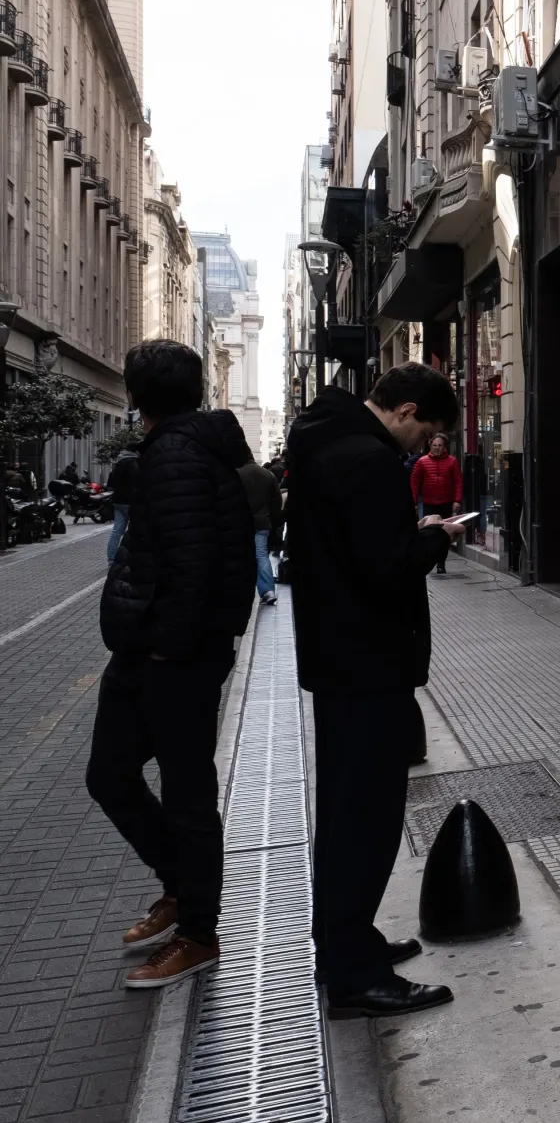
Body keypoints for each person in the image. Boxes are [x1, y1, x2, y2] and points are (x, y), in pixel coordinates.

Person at [287, 363, 466, 1019]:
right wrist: (430, 540)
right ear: (406, 408)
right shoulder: (365, 459)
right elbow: (383, 569)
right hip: (367, 662)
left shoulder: (325, 443)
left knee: (343, 814)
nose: (422, 446)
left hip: (341, 660)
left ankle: (344, 944)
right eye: (425, 431)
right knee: (365, 818)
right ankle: (355, 974)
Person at [88, 340, 255, 990]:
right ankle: (181, 890)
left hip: (170, 655)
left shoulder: (178, 456)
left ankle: (198, 932)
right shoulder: (181, 449)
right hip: (155, 650)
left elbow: (192, 565)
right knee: (111, 773)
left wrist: (167, 647)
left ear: (137, 393)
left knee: (185, 792)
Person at [410, 434, 462, 576]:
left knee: (444, 534)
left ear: (444, 447)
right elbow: (414, 484)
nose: (437, 448)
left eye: (439, 445)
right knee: (429, 532)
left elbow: (458, 482)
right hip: (429, 503)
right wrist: (413, 503)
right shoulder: (422, 462)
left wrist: (457, 500)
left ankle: (441, 563)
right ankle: (428, 559)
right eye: (434, 445)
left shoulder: (452, 462)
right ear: (430, 446)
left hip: (446, 503)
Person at [239, 457, 283, 605]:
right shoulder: (267, 474)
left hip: (241, 523)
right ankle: (268, 590)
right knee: (261, 555)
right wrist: (274, 521)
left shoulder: (237, 474)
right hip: (262, 522)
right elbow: (276, 501)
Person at [105, 447, 138, 564]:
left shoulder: (118, 464)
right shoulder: (134, 464)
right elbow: (138, 482)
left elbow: (110, 483)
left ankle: (111, 558)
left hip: (118, 501)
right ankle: (132, 556)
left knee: (117, 531)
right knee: (136, 529)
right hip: (131, 501)